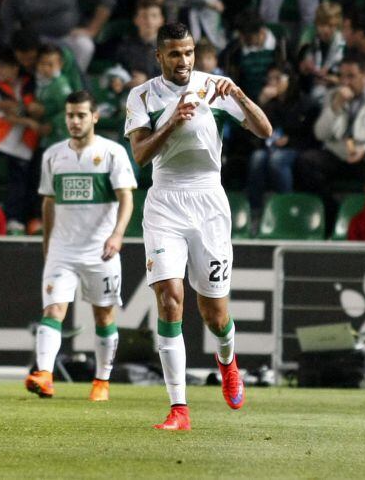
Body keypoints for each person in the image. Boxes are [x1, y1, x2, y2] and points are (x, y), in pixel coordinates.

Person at [126, 22, 273, 430]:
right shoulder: (142, 96)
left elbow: (265, 130)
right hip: (165, 201)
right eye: (174, 54)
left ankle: (228, 361)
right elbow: (139, 155)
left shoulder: (215, 87)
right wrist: (171, 122)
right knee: (170, 298)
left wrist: (241, 95)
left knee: (214, 312)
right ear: (159, 57)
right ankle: (179, 408)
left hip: (209, 202)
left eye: (188, 53)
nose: (183, 61)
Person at [25, 90, 137, 402]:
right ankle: (44, 375)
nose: (74, 121)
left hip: (100, 249)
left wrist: (117, 235)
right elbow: (48, 201)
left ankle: (102, 381)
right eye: (70, 115)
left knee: (103, 316)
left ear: (95, 117)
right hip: (63, 248)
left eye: (81, 115)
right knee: (53, 309)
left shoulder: (113, 153)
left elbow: (126, 198)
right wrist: (48, 242)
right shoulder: (53, 155)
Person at [297, 52, 365, 226]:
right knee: (306, 162)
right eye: (341, 76)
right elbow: (320, 134)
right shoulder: (334, 94)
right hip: (338, 152)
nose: (344, 82)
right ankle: (330, 211)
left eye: (351, 76)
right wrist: (335, 107)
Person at [0, 0, 116, 72]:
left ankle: (73, 84)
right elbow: (7, 21)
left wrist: (92, 30)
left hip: (69, 35)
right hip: (38, 40)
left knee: (84, 45)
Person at [246, 64, 319, 232]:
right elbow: (252, 131)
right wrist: (261, 104)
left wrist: (290, 140)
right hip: (271, 148)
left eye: (278, 79)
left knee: (277, 161)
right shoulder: (270, 103)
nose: (273, 83)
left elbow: (310, 134)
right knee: (257, 158)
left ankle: (286, 208)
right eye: (270, 79)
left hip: (297, 147)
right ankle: (255, 211)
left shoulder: (304, 102)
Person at [0, 50, 40, 233]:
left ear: (15, 68)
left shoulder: (29, 84)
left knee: (19, 177)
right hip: (0, 137)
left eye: (2, 67)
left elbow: (27, 109)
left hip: (24, 141)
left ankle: (14, 218)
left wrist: (22, 113)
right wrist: (26, 118)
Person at [298, 1, 346, 104]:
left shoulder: (344, 45)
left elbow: (346, 78)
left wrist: (331, 79)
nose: (326, 30)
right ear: (317, 24)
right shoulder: (309, 41)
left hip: (334, 90)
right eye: (322, 25)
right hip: (310, 90)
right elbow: (300, 72)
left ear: (337, 25)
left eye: (331, 26)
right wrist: (304, 69)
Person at [32, 44, 74, 148]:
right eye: (42, 63)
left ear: (60, 65)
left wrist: (52, 124)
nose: (45, 68)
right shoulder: (40, 82)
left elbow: (70, 108)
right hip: (46, 134)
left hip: (60, 133)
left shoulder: (60, 85)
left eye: (50, 65)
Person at [114, 0, 165, 86]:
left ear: (161, 20)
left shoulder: (171, 48)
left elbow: (175, 79)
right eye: (144, 16)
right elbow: (119, 67)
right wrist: (118, 79)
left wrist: (147, 80)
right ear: (136, 20)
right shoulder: (126, 46)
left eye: (154, 16)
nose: (149, 21)